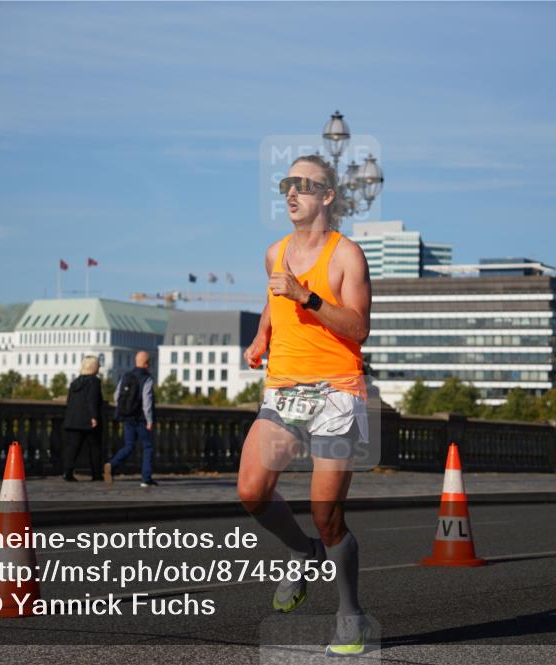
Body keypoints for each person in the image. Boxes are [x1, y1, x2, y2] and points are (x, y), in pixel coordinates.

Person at [237, 154, 373, 656]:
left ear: (328, 197)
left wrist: (308, 296)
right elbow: (276, 305)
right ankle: (301, 551)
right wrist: (259, 337)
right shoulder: (275, 252)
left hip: (338, 392)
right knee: (252, 491)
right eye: (287, 183)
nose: (292, 193)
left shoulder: (346, 256)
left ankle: (350, 614)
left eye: (305, 185)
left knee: (326, 514)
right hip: (285, 389)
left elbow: (358, 328)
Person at [104, 350, 157, 487]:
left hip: (127, 416)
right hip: (140, 418)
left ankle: (111, 464)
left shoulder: (126, 376)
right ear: (146, 364)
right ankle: (146, 479)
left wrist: (126, 409)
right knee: (148, 446)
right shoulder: (147, 378)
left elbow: (117, 396)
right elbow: (147, 401)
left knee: (128, 445)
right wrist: (150, 420)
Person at [62, 356, 104, 481]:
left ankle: (67, 472)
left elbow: (70, 401)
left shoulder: (75, 382)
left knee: (73, 448)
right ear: (94, 367)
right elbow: (93, 400)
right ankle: (96, 474)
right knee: (95, 447)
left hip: (73, 419)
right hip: (88, 420)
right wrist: (94, 417)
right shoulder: (94, 382)